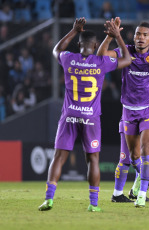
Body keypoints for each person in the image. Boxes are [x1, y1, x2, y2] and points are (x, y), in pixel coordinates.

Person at [38, 17, 131, 212]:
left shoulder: (68, 58)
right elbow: (128, 59)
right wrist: (117, 37)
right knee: (93, 160)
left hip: (69, 116)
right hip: (91, 118)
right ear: (96, 45)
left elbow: (56, 49)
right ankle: (93, 204)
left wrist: (73, 30)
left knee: (58, 158)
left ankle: (48, 199)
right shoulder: (101, 62)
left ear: (79, 44)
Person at [97, 20, 149, 207]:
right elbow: (100, 56)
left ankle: (141, 194)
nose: (140, 38)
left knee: (147, 150)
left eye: (144, 35)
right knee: (133, 156)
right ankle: (131, 190)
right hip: (129, 110)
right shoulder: (126, 51)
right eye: (137, 34)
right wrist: (110, 36)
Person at [111, 88, 149, 203]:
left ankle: (135, 189)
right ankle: (118, 194)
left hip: (144, 121)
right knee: (126, 159)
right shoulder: (141, 76)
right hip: (131, 120)